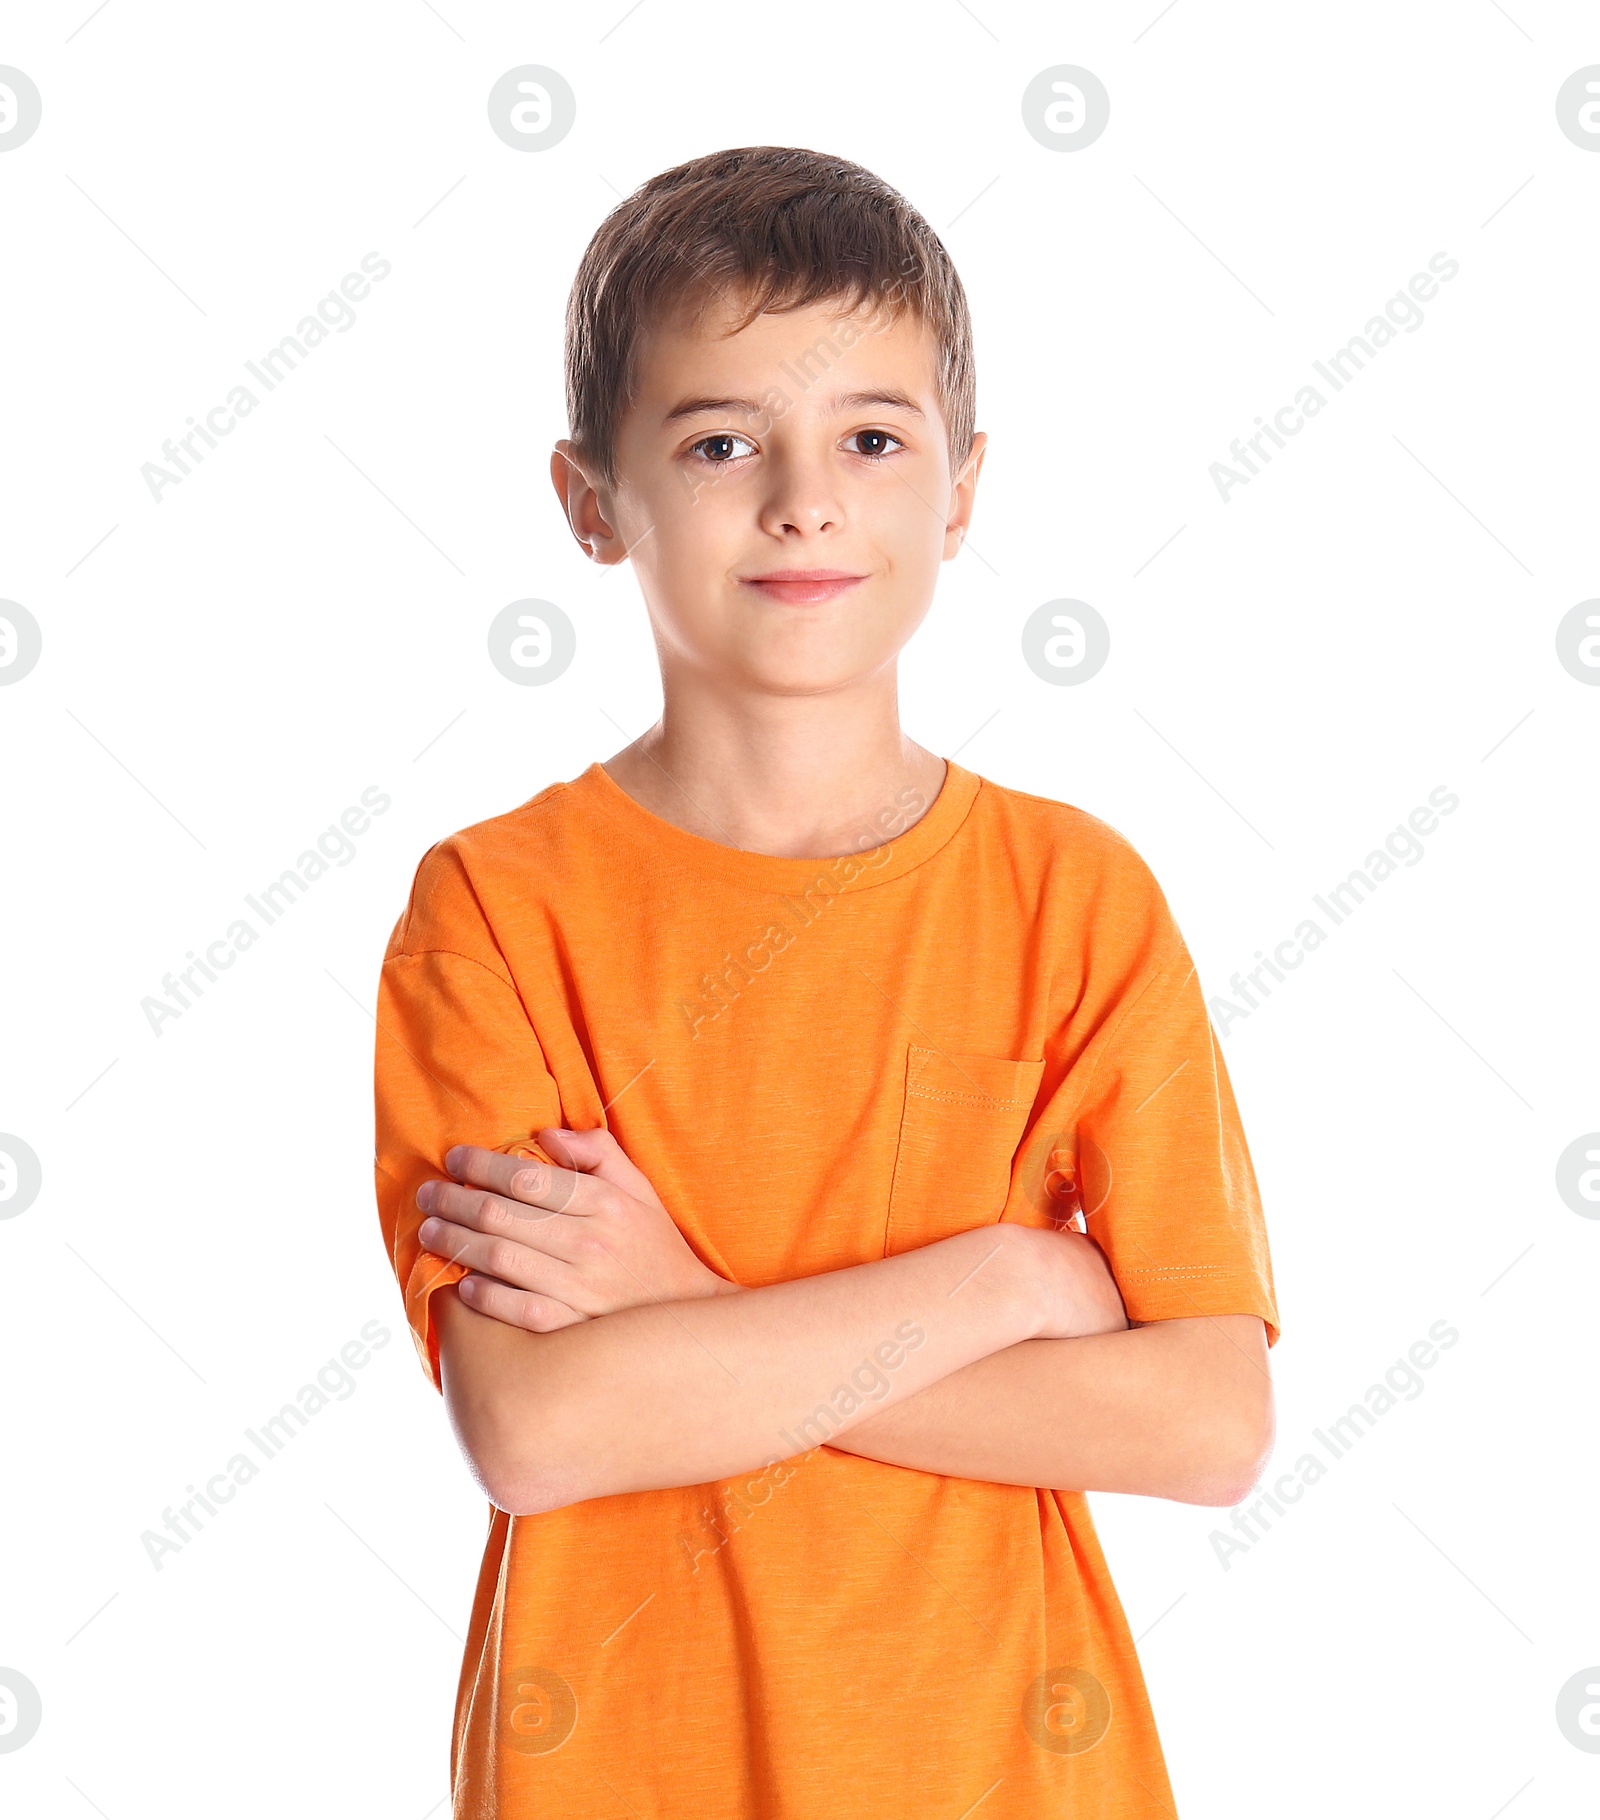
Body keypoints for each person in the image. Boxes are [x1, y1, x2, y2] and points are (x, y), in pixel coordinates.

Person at [373, 144, 1280, 1818]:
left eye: (872, 437)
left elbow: (1207, 1425)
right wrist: (1007, 1280)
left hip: (1010, 1773)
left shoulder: (1073, 900)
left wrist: (684, 1327)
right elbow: (541, 1433)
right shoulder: (495, 912)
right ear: (590, 501)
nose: (805, 499)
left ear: (961, 485)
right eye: (721, 442)